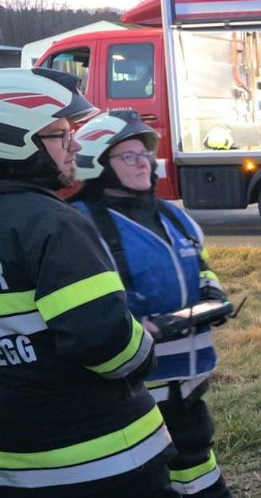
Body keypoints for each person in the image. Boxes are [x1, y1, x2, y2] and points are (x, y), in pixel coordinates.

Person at [0, 68, 176, 497]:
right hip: (106, 459)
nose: (74, 145)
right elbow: (106, 341)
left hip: (16, 464)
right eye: (61, 134)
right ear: (15, 139)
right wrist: (145, 348)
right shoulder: (51, 224)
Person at [70, 109, 232, 498]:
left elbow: (200, 265)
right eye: (128, 156)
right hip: (133, 388)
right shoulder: (81, 225)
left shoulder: (174, 217)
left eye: (145, 154)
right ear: (97, 163)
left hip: (187, 381)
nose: (143, 162)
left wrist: (213, 292)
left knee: (195, 457)